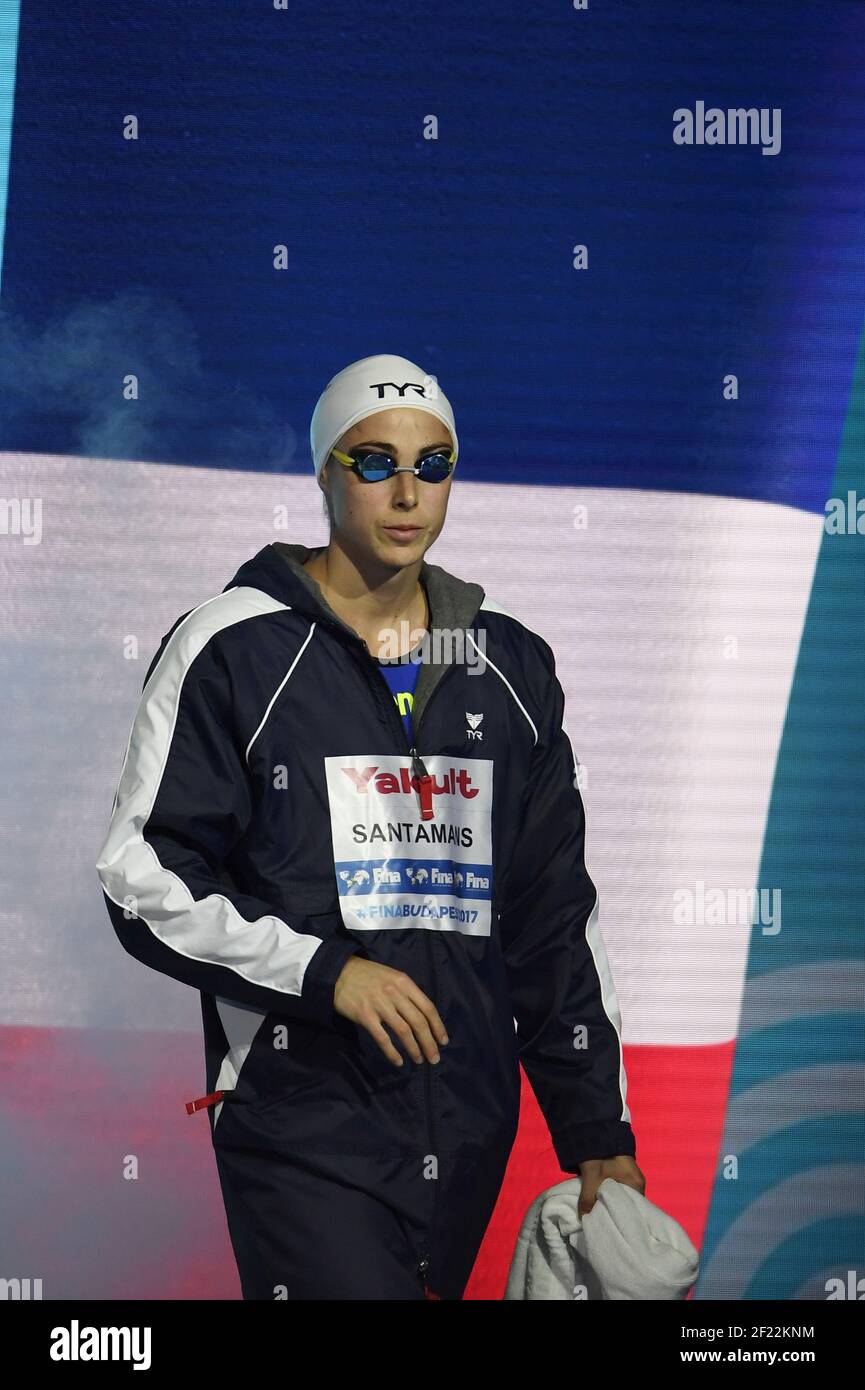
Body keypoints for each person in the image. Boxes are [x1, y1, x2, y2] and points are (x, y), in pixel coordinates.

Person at [95, 352, 644, 1301]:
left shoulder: (508, 665)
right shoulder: (233, 646)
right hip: (302, 1117)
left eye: (433, 466)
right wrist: (328, 973)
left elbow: (550, 918)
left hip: (468, 1124)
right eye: (374, 462)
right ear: (323, 472)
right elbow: (141, 874)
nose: (406, 491)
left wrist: (597, 1136)